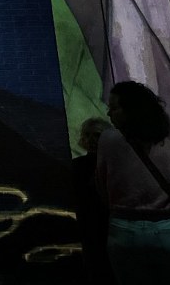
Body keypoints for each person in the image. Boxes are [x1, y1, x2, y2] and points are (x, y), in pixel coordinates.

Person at [95, 81, 170, 284]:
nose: (109, 113)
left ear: (132, 111)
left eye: (114, 108)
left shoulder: (108, 141)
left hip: (123, 231)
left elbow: (101, 186)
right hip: (169, 228)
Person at [72, 116, 116, 284]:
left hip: (108, 225)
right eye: (87, 135)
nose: (91, 140)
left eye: (96, 135)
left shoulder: (79, 166)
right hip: (93, 226)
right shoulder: (77, 166)